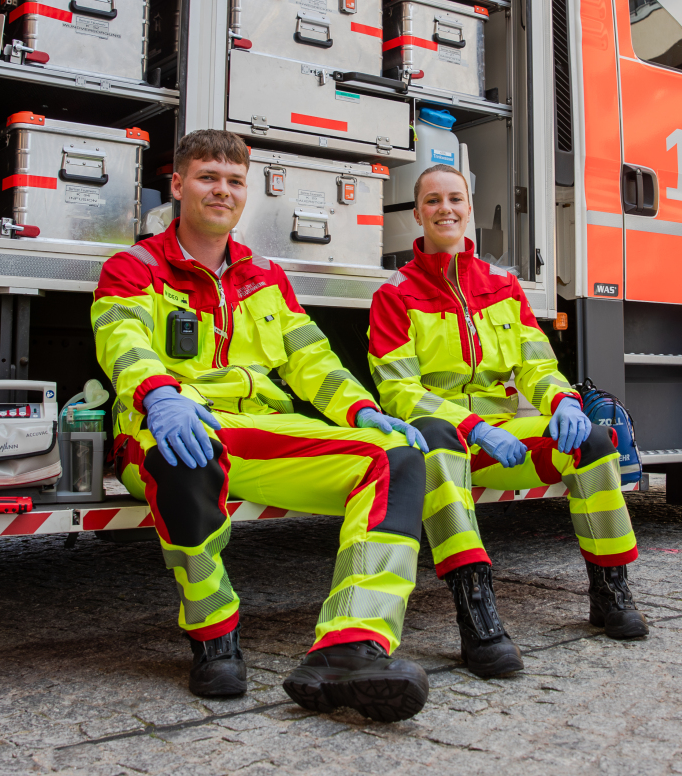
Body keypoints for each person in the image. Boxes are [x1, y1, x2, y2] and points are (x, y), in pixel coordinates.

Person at [91, 130, 460, 722]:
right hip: (166, 430)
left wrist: (367, 414)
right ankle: (214, 639)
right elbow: (122, 341)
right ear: (178, 184)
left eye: (235, 181)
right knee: (185, 459)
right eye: (209, 177)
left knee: (393, 457)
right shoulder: (133, 268)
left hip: (261, 431)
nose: (223, 191)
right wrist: (160, 397)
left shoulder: (266, 276)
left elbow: (313, 361)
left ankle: (349, 648)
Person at [367, 163, 647, 677]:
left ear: (469, 207)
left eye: (454, 199)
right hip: (454, 442)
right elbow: (399, 393)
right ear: (417, 215)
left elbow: (536, 365)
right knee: (432, 437)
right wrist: (475, 428)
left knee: (596, 441)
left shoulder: (503, 286)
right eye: (432, 201)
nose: (444, 209)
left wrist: (563, 401)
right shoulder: (394, 295)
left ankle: (610, 591)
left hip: (506, 445)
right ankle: (476, 615)